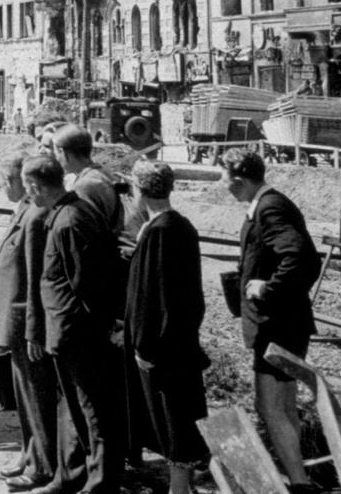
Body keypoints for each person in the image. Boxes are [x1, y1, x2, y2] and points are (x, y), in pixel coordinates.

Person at [21, 155, 122, 494]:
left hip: (78, 334)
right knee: (76, 408)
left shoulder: (69, 221)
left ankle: (100, 484)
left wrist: (89, 329)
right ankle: (73, 475)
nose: (27, 196)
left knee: (92, 410)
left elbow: (88, 285)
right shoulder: (66, 214)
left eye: (27, 189)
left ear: (36, 186)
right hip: (67, 332)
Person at [224, 147, 321, 493]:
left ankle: (298, 484)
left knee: (269, 405)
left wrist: (268, 289)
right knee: (283, 404)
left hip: (277, 324)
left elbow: (300, 257)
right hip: (284, 323)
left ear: (238, 179)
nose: (224, 186)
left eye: (226, 179)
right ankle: (300, 478)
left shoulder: (270, 207)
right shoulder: (267, 204)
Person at [124, 160, 208, 494]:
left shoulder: (158, 231)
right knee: (180, 414)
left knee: (172, 418)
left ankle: (178, 488)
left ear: (138, 191)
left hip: (163, 347)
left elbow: (151, 295)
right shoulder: (181, 226)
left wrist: (145, 346)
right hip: (180, 341)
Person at [0, 156, 58, 491]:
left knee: (37, 398)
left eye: (6, 183)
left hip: (26, 323)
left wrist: (33, 328)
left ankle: (42, 466)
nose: (4, 189)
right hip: (16, 322)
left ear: (23, 182)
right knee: (24, 397)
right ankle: (30, 454)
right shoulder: (24, 211)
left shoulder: (35, 217)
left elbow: (35, 279)